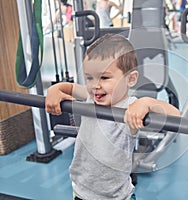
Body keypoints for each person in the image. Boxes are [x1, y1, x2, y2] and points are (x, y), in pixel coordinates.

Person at [45, 33, 180, 200]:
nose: (95, 85)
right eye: (89, 77)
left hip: (116, 197)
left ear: (131, 79)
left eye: (104, 77)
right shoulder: (91, 96)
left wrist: (146, 102)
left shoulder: (130, 108)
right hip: (81, 192)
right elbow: (70, 87)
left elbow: (176, 115)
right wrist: (54, 89)